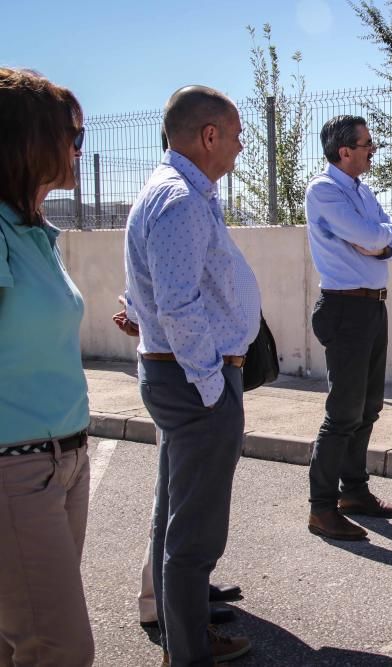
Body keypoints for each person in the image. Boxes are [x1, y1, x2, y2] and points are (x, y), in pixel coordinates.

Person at [124, 85, 259, 666]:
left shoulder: (179, 193)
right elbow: (178, 306)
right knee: (194, 537)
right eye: (233, 133)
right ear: (208, 136)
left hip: (180, 377)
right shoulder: (180, 199)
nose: (239, 145)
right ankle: (190, 653)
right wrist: (211, 389)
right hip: (193, 381)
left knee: (175, 518)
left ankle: (186, 637)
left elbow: (152, 290)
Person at [0, 67, 94, 667]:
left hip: (65, 460)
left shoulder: (34, 232)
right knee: (59, 649)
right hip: (15, 471)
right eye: (73, 134)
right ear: (29, 139)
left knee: (20, 646)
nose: (80, 148)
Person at [305, 114, 392, 541]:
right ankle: (321, 508)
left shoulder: (362, 193)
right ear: (343, 150)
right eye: (366, 144)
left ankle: (354, 491)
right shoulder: (324, 191)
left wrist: (379, 237)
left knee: (369, 407)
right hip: (345, 308)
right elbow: (371, 240)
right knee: (343, 413)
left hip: (371, 308)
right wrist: (377, 239)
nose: (372, 150)